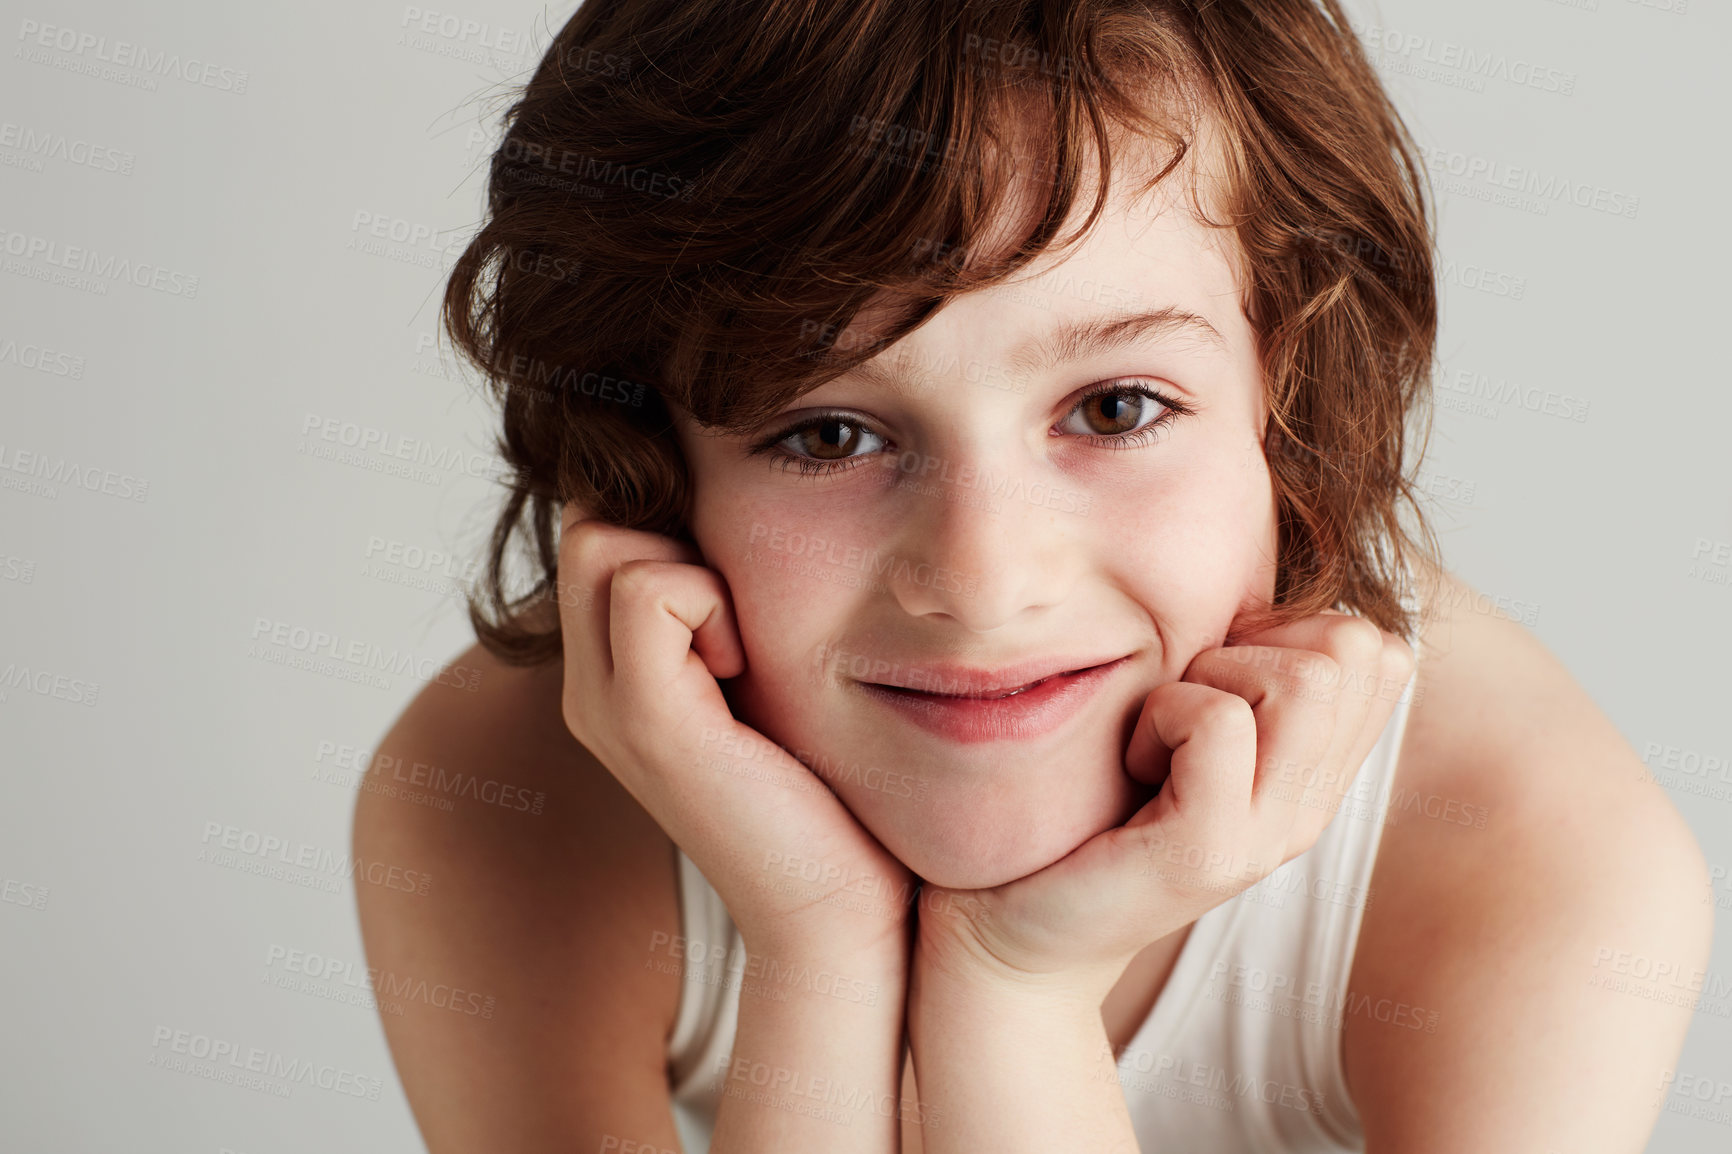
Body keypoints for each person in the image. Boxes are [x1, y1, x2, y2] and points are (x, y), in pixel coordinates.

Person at [352, 2, 1712, 1151]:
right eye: (827, 432)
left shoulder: (1536, 863)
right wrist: (817, 943)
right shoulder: (500, 803)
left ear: (1283, 393)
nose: (984, 580)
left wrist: (1019, 988)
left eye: (1115, 407)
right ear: (650, 466)